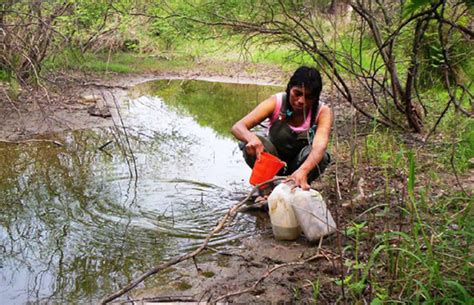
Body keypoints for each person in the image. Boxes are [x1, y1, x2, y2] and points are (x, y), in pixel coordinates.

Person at [231, 66, 332, 191]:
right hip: (272, 162)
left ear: (316, 98)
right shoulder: (277, 102)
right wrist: (251, 138)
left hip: (300, 165)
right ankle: (266, 189)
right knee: (250, 142)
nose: (301, 101)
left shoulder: (322, 112)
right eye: (297, 93)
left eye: (309, 97)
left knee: (322, 157)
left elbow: (319, 147)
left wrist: (303, 171)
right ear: (289, 89)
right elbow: (238, 127)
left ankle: (295, 186)